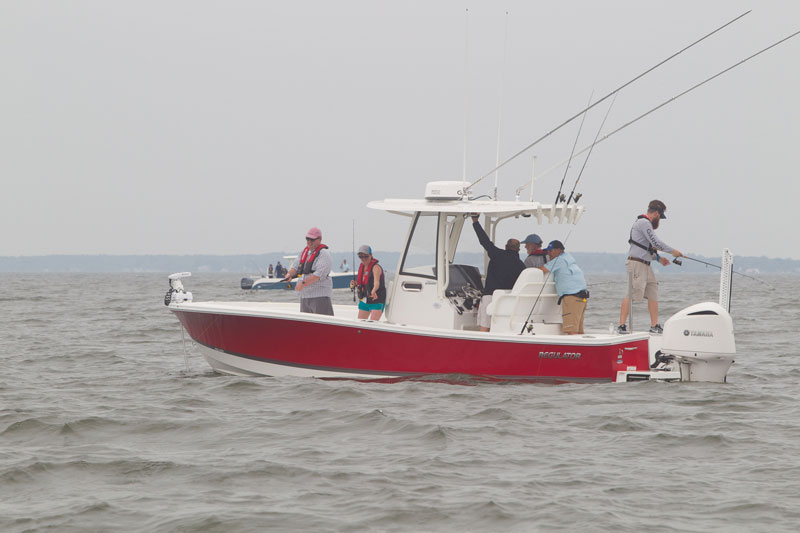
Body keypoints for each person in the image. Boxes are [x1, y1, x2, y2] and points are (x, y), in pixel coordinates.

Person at [616, 200, 683, 334]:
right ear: (656, 213)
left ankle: (654, 326)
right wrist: (672, 251)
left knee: (653, 292)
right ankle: (621, 326)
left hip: (646, 265)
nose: (660, 220)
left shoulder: (646, 225)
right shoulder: (644, 223)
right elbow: (656, 243)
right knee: (631, 293)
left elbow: (646, 249)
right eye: (660, 217)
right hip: (636, 264)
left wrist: (659, 259)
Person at [471, 214, 526, 332]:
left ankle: (482, 344)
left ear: (506, 247)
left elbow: (483, 240)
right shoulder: (521, 265)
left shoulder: (496, 254)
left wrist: (475, 221)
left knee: (485, 326)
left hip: (490, 296)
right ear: (518, 250)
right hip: (507, 299)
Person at [538, 240, 589, 335]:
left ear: (559, 250)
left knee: (571, 330)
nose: (548, 253)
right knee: (578, 330)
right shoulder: (568, 258)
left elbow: (542, 270)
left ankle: (573, 349)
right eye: (547, 251)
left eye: (550, 250)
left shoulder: (559, 260)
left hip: (572, 298)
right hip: (582, 298)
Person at [282, 227, 334, 315]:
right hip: (305, 296)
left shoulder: (324, 254)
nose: (309, 241)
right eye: (307, 239)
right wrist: (289, 274)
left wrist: (302, 284)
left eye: (312, 239)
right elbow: (295, 267)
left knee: (321, 326)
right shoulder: (304, 252)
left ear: (319, 239)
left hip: (319, 296)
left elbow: (318, 275)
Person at [350, 245, 385, 321]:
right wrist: (356, 283)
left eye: (366, 256)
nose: (363, 259)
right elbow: (364, 282)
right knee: (360, 323)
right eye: (361, 256)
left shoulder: (376, 267)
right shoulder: (362, 267)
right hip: (365, 300)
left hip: (376, 300)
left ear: (371, 255)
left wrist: (374, 291)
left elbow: (376, 282)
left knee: (373, 324)